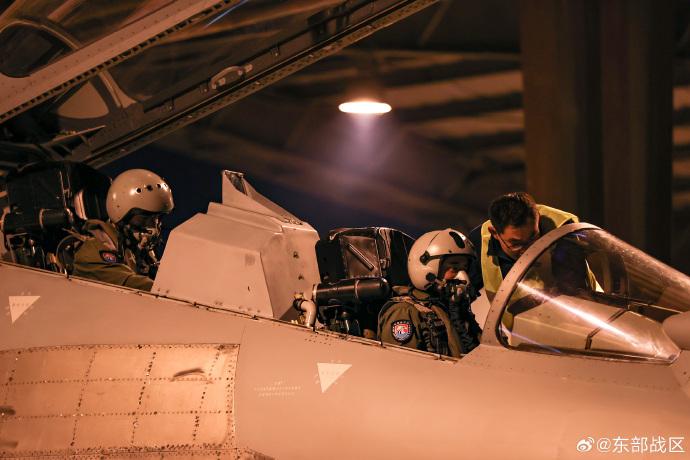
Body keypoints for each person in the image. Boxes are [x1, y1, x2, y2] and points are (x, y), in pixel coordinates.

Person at [378, 228, 482, 357]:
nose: (463, 277)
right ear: (427, 270)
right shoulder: (405, 312)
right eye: (454, 267)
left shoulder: (452, 309)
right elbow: (402, 365)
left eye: (464, 268)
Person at [72, 169, 174, 291]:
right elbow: (129, 285)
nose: (153, 226)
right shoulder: (91, 251)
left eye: (157, 218)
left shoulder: (135, 250)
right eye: (144, 218)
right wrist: (174, 290)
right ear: (121, 214)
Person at [468, 192, 578, 303]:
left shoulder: (564, 229)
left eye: (533, 238)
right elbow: (465, 292)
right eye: (516, 244)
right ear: (494, 233)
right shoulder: (479, 242)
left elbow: (577, 290)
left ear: (538, 218)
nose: (528, 251)